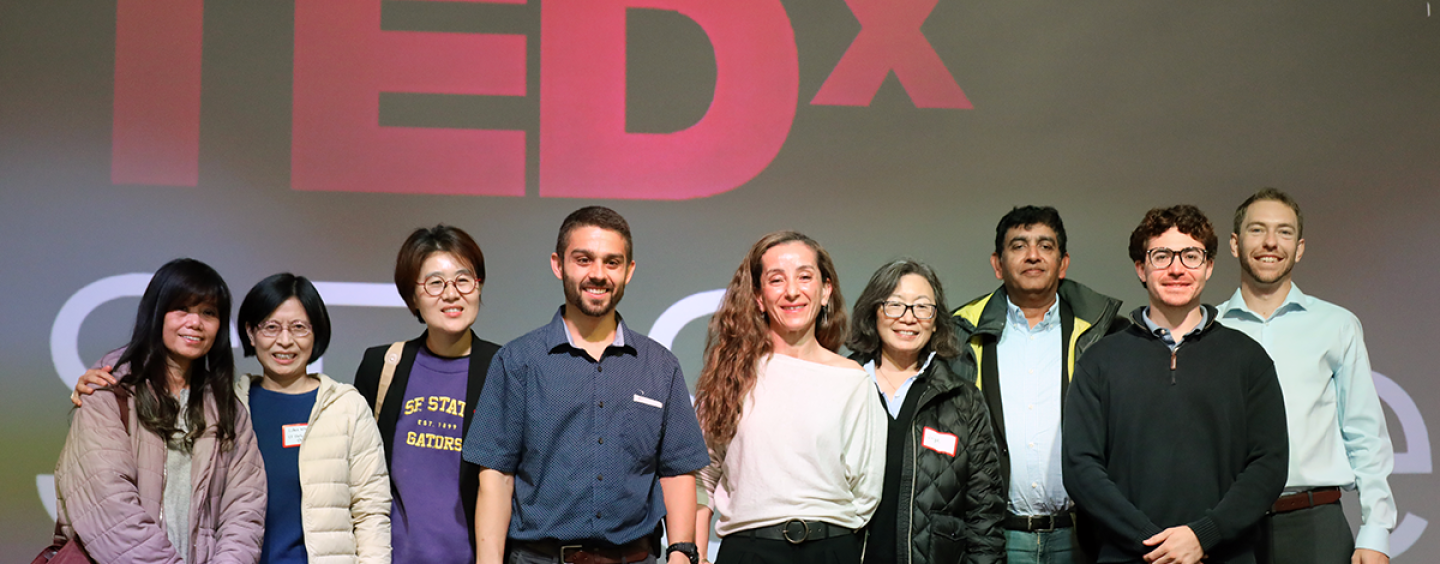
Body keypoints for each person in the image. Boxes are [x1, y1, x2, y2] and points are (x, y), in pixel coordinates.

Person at [75, 272, 394, 564]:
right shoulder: (227, 404)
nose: (285, 341)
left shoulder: (346, 407)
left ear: (316, 334)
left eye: (299, 327)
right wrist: (99, 384)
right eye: (271, 327)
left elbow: (370, 512)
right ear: (250, 334)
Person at [465, 206, 710, 564]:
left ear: (629, 271)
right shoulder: (518, 361)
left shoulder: (659, 365)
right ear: (558, 264)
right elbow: (496, 478)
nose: (598, 274)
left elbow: (677, 472)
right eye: (584, 259)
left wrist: (681, 554)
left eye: (612, 262)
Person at [1062, 205, 1288, 564]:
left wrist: (1204, 535)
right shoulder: (1099, 360)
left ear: (1209, 266)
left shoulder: (1248, 359)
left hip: (1223, 555)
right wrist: (1151, 541)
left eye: (1191, 255)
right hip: (1128, 555)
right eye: (1161, 255)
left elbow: (1269, 464)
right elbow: (1080, 467)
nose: (1177, 268)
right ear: (1141, 268)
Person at [1216, 189, 1396, 564]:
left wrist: (1376, 530)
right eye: (1257, 230)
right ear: (1235, 244)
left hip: (1315, 524)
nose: (1270, 242)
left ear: (1298, 248)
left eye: (1283, 232)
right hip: (1225, 526)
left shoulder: (1336, 325)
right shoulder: (1208, 328)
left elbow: (1365, 434)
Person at [55, 258, 267, 563]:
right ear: (157, 314)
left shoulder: (228, 408)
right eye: (182, 308)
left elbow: (244, 512)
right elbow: (110, 506)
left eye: (208, 313)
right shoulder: (107, 390)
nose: (195, 323)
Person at [693, 231, 887, 564]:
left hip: (831, 550)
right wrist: (694, 553)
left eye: (805, 277)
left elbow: (865, 492)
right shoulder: (730, 376)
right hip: (748, 551)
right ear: (758, 296)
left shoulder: (852, 380)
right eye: (776, 280)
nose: (792, 291)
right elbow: (704, 476)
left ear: (825, 290)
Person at [948, 206, 1124, 564]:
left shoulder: (1105, 334)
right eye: (1019, 246)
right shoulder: (960, 337)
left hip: (1082, 535)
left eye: (1046, 246)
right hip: (995, 535)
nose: (1033, 255)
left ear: (1063, 263)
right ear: (997, 264)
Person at [354, 225, 501, 564]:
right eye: (435, 283)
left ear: (478, 286)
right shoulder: (382, 365)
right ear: (412, 297)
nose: (451, 294)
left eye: (463, 280)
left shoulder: (503, 369)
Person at [848, 258, 1005, 564]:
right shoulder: (843, 384)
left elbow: (985, 513)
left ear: (935, 321)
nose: (909, 318)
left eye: (922, 307)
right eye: (894, 305)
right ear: (874, 312)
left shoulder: (963, 400)